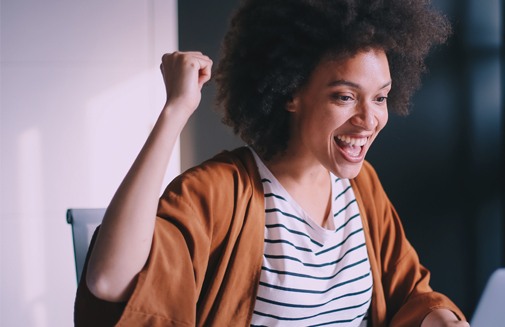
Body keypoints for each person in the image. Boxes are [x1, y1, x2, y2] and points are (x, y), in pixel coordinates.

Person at [75, 0, 468, 326]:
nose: (369, 121)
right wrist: (175, 111)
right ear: (290, 93)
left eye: (380, 97)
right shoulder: (219, 193)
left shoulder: (362, 187)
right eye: (345, 97)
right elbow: (110, 281)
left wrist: (444, 321)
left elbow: (408, 291)